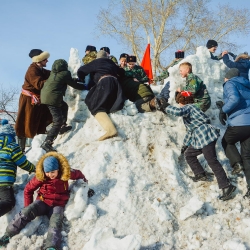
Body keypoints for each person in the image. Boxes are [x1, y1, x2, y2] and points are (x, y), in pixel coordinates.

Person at [156, 92, 236, 201]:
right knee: (189, 154)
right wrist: (185, 145)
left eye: (179, 102)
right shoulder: (192, 111)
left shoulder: (189, 107)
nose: (179, 105)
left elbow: (178, 112)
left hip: (205, 136)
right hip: (200, 137)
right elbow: (191, 131)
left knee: (212, 161)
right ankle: (200, 174)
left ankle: (226, 186)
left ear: (182, 102)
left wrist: (166, 107)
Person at [0, 152, 88, 249]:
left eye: (53, 172)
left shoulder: (65, 173)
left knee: (56, 223)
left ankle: (51, 246)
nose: (50, 175)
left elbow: (79, 174)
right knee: (26, 212)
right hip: (43, 202)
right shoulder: (41, 176)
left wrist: (85, 185)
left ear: (58, 169)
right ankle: (8, 234)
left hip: (58, 205)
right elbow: (28, 190)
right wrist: (28, 206)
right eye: (48, 172)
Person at [216, 68, 250, 199]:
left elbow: (235, 99)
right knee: (247, 156)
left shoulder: (230, 83)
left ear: (228, 77)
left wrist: (223, 110)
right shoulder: (246, 84)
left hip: (239, 123)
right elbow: (242, 101)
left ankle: (236, 163)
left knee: (227, 141)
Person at [77, 50, 125, 141]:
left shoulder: (97, 62)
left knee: (94, 105)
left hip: (105, 82)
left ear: (98, 57)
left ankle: (110, 130)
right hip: (116, 84)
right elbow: (122, 72)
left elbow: (81, 70)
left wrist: (81, 78)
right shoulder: (111, 63)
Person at [40, 59, 86, 152]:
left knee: (64, 106)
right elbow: (73, 85)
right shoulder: (65, 73)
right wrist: (85, 86)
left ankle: (63, 126)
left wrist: (74, 79)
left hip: (45, 96)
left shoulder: (53, 73)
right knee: (57, 121)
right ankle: (47, 142)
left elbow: (64, 80)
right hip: (53, 98)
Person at [15, 49, 52, 153]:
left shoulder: (40, 69)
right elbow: (40, 84)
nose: (47, 61)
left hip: (37, 99)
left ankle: (40, 141)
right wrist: (54, 80)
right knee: (25, 121)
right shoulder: (32, 70)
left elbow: (49, 74)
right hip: (28, 100)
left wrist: (58, 73)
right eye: (45, 59)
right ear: (39, 60)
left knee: (45, 117)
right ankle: (21, 150)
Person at [0, 119, 35, 217]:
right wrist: (34, 169)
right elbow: (22, 162)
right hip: (3, 182)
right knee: (8, 202)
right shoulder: (12, 146)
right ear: (12, 136)